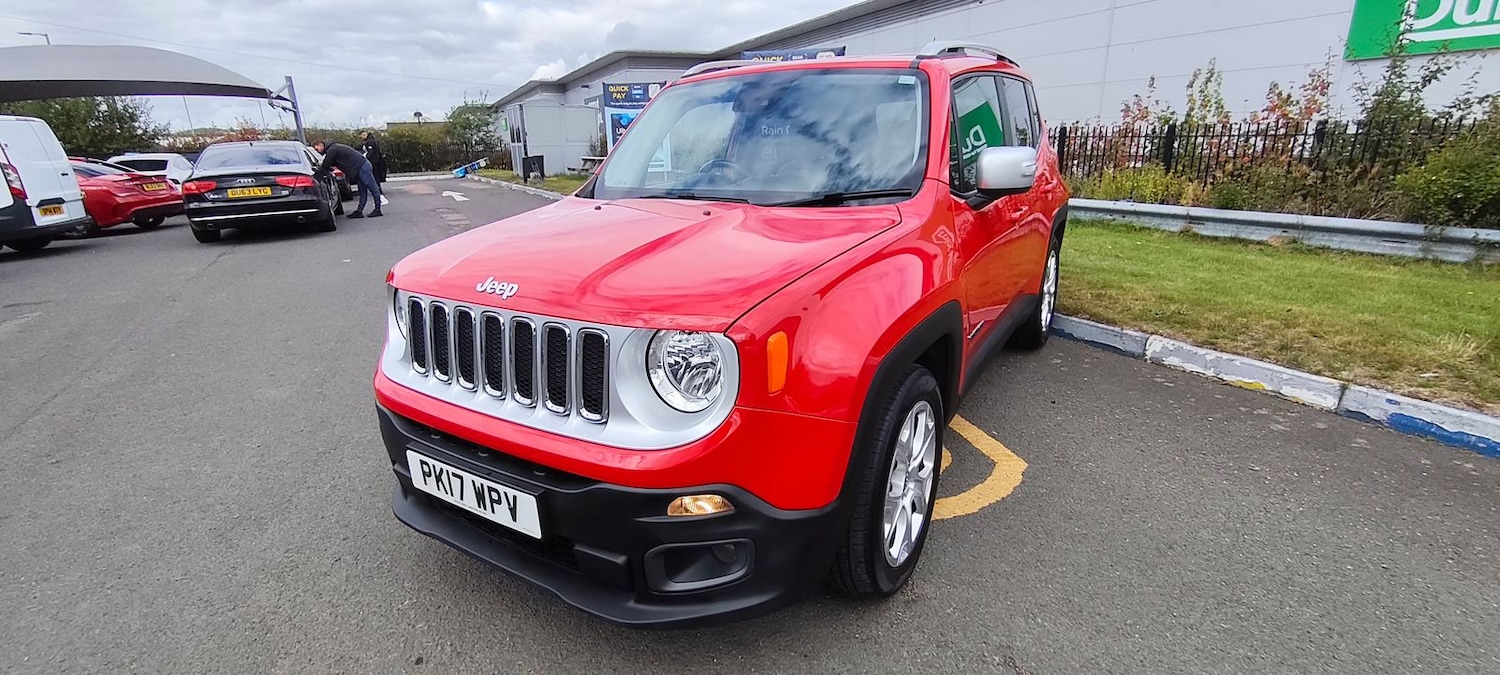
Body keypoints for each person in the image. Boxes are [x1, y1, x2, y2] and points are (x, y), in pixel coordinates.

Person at [313, 139, 381, 218]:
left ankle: (377, 209)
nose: (317, 151)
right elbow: (330, 164)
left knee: (372, 187)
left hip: (361, 166)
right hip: (360, 167)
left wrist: (317, 174)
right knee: (362, 190)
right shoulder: (334, 148)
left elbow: (326, 164)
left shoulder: (332, 150)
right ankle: (360, 211)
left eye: (316, 149)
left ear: (321, 145)